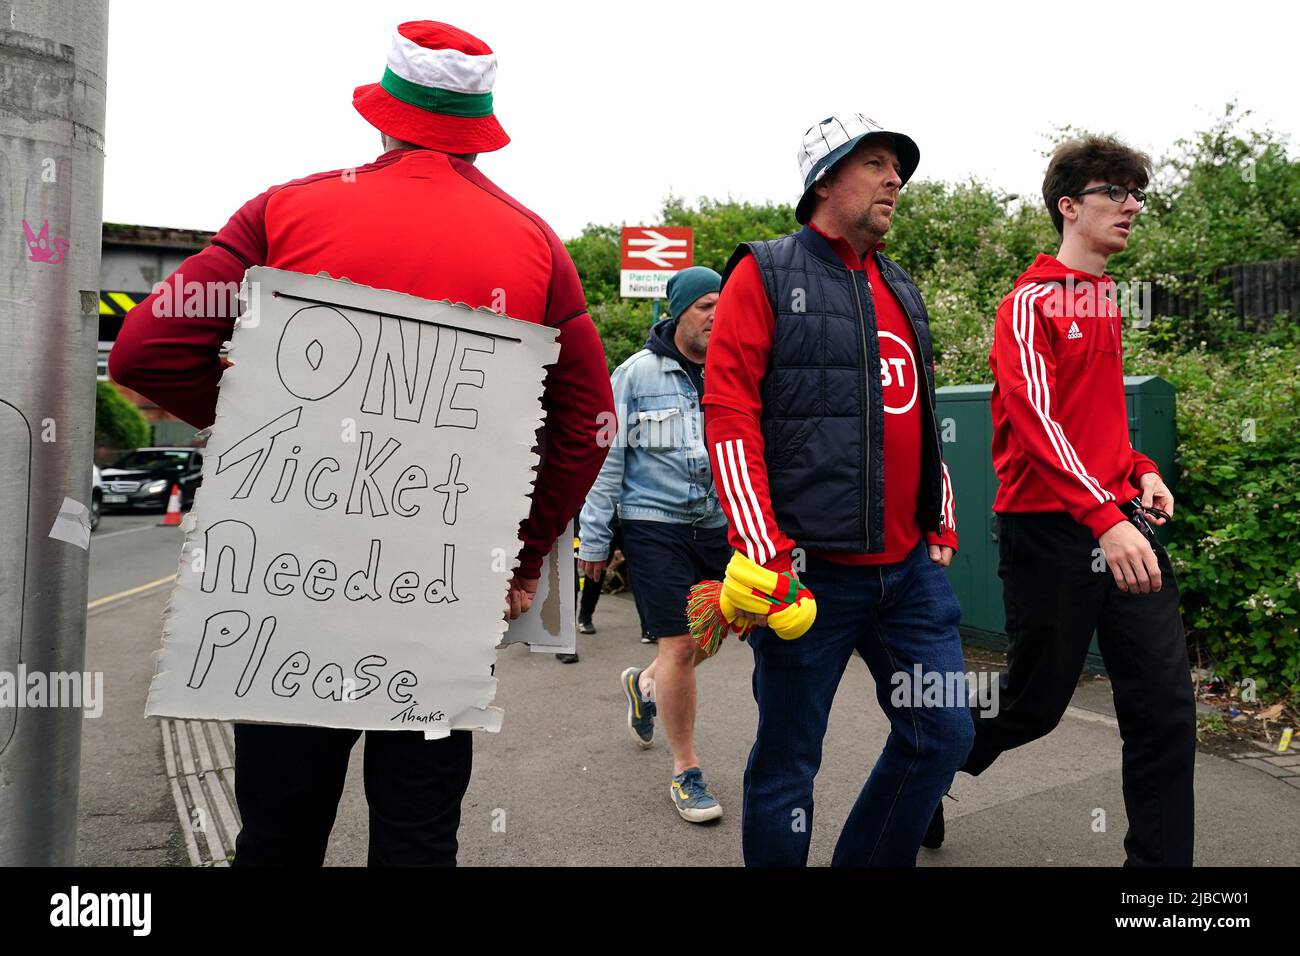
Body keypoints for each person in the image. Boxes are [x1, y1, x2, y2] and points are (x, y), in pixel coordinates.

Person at [108, 20, 615, 866]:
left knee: (277, 833)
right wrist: (523, 553)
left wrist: (257, 426)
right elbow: (587, 422)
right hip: (442, 585)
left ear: (382, 117)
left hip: (290, 581)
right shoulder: (534, 245)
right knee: (418, 837)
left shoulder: (287, 208)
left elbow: (146, 349)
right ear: (479, 132)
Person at [703, 114, 967, 866]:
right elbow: (727, 412)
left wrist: (938, 517)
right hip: (806, 575)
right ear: (824, 180)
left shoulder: (899, 284)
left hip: (909, 575)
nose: (896, 181)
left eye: (900, 170)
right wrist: (762, 545)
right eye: (877, 164)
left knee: (943, 734)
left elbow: (914, 411)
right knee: (788, 764)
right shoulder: (765, 271)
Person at [948, 135, 1194, 865]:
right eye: (1114, 192)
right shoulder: (1027, 305)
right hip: (1050, 533)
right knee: (1032, 706)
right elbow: (1036, 425)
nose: (1131, 206)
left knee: (1164, 710)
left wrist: (1141, 470)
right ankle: (925, 760)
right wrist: (1103, 520)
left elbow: (1098, 419)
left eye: (1136, 193)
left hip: (1120, 521)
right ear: (1068, 206)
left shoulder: (1104, 298)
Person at [577, 267, 730, 823]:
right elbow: (607, 457)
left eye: (724, 303)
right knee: (681, 646)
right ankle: (686, 770)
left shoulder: (733, 367)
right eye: (706, 305)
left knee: (711, 634)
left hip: (716, 525)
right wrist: (593, 539)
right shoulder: (635, 375)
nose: (717, 314)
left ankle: (646, 686)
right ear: (679, 312)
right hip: (653, 524)